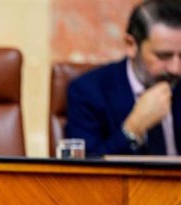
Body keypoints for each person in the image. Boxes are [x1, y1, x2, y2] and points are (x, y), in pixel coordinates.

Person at [65, 0, 181, 157]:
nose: (176, 68)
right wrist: (133, 130)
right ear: (131, 45)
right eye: (163, 56)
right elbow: (85, 173)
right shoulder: (89, 91)